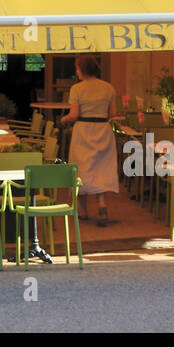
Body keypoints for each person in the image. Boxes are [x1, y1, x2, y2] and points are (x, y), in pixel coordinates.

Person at [59, 55, 119, 225]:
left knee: (81, 170)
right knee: (101, 168)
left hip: (83, 131)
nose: (76, 71)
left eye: (77, 68)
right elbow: (112, 114)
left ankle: (83, 211)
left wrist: (63, 120)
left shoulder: (77, 89)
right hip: (103, 130)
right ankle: (102, 203)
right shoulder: (108, 88)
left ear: (82, 69)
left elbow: (74, 115)